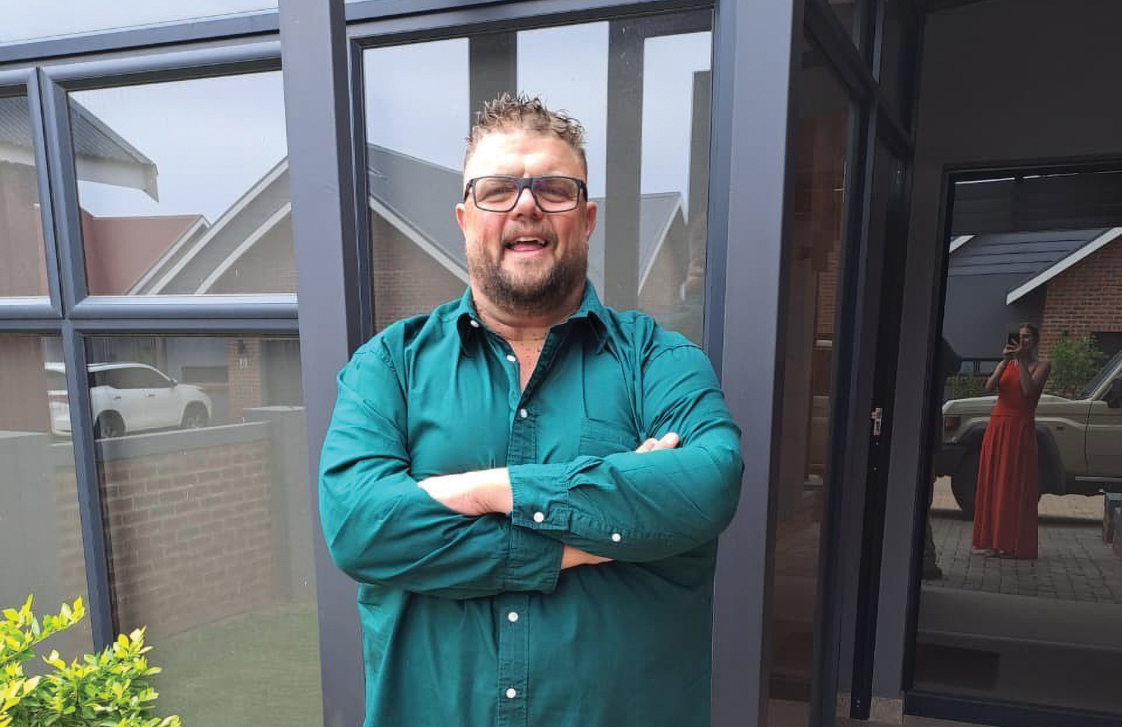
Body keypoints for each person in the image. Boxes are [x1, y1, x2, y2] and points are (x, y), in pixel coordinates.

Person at [318, 93, 744, 727]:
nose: (525, 205)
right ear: (464, 217)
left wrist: (488, 489)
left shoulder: (657, 360)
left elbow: (707, 484)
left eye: (553, 189)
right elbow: (359, 527)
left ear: (587, 218)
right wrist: (579, 534)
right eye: (497, 190)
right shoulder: (389, 367)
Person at [972, 322, 1051, 559]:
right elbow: (989, 387)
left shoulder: (1042, 365)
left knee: (1014, 483)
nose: (1022, 341)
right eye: (1020, 336)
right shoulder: (1007, 363)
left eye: (1027, 337)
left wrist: (1020, 362)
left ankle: (1011, 543)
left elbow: (1029, 391)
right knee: (993, 481)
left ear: (1035, 341)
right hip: (997, 425)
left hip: (1019, 427)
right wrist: (1005, 362)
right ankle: (991, 541)